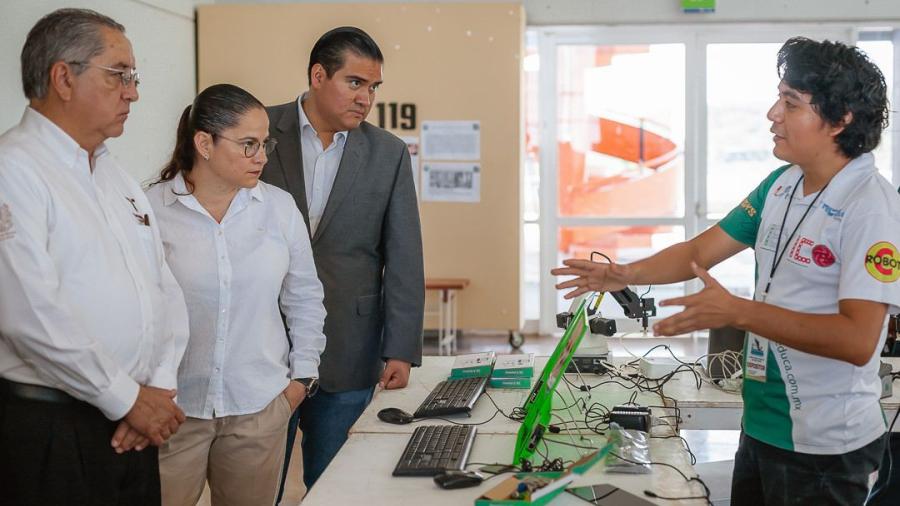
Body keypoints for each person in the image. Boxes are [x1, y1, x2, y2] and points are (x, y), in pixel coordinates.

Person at [553, 37, 900, 505]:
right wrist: (624, 275)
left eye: (791, 103)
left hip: (825, 446)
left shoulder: (869, 207)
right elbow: (699, 251)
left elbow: (858, 341)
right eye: (779, 98)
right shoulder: (782, 185)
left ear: (840, 120)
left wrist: (739, 312)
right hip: (761, 424)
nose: (772, 114)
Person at [0, 8, 189, 505]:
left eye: (134, 77)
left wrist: (159, 389)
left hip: (134, 425)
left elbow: (161, 287)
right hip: (55, 430)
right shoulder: (13, 169)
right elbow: (29, 315)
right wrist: (126, 399)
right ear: (63, 77)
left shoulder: (113, 175)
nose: (133, 92)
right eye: (119, 75)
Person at [146, 83, 327, 506]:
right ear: (204, 143)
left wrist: (300, 380)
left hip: (259, 407)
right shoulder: (150, 210)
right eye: (248, 145)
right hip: (173, 410)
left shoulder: (278, 209)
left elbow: (303, 297)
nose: (262, 157)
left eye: (265, 143)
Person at [262, 26, 425, 491]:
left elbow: (404, 254)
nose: (365, 98)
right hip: (261, 341)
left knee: (334, 484)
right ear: (318, 75)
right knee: (259, 485)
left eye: (373, 87)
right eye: (355, 82)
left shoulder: (388, 153)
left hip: (350, 344)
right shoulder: (257, 132)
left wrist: (401, 347)